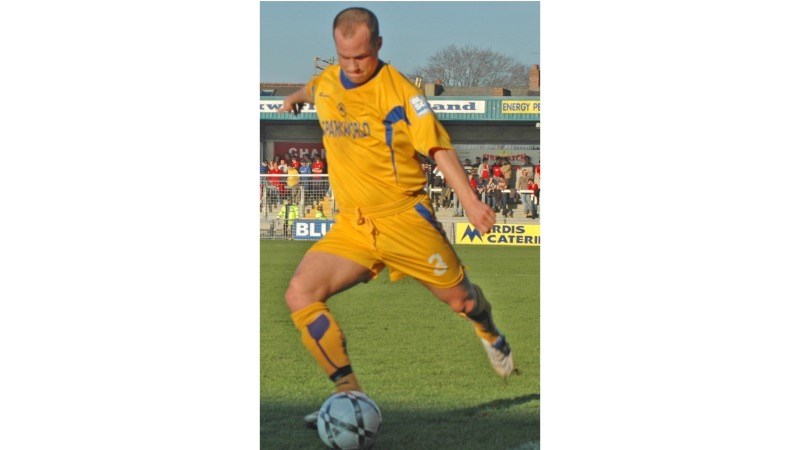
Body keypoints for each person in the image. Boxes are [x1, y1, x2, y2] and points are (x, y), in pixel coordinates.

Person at [277, 7, 517, 428]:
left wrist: (471, 201)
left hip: (406, 221)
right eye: (345, 57)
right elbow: (315, 89)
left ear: (379, 45)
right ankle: (349, 394)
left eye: (362, 57)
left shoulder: (402, 94)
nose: (353, 66)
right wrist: (295, 99)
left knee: (462, 301)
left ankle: (489, 331)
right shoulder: (329, 80)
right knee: (300, 294)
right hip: (354, 225)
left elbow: (439, 149)